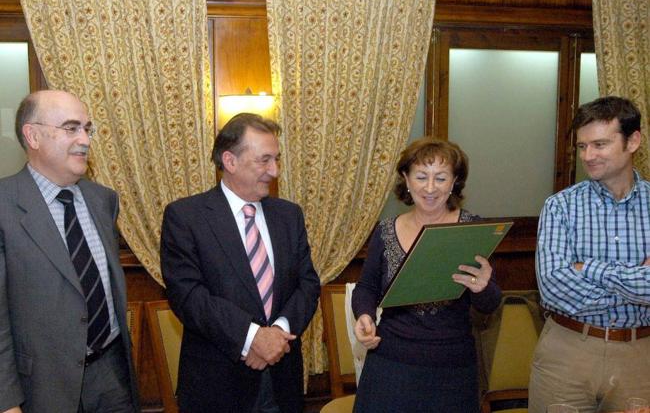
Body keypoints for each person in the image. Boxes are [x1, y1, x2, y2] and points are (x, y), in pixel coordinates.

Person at [160, 112, 320, 413]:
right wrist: (253, 338)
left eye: (277, 159)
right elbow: (188, 296)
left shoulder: (289, 215)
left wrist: (277, 334)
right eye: (264, 160)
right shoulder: (186, 217)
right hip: (218, 384)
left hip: (283, 378)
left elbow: (308, 284)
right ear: (230, 161)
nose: (274, 171)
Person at [0, 90, 139, 413]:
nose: (85, 140)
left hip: (112, 375)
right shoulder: (5, 205)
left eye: (87, 128)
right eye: (71, 128)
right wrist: (7, 403)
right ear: (32, 135)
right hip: (42, 387)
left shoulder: (103, 200)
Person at [351, 137, 501, 413]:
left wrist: (482, 288)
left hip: (452, 370)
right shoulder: (385, 231)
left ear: (455, 181)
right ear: (406, 179)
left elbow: (490, 304)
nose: (430, 188)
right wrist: (364, 315)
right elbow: (367, 287)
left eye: (441, 178)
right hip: (390, 365)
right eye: (421, 176)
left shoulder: (472, 229)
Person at [529, 96, 650, 412]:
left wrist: (587, 269)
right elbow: (553, 287)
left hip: (639, 355)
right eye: (582, 147)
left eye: (599, 144)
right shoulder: (560, 207)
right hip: (567, 351)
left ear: (633, 140)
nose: (588, 155)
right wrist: (636, 284)